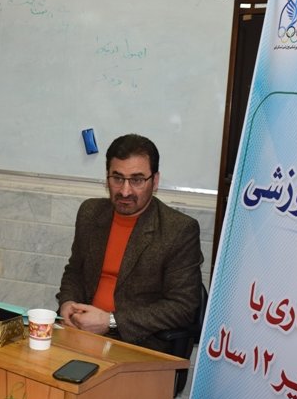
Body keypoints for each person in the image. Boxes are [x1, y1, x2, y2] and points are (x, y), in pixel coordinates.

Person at [57, 133, 203, 353]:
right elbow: (75, 271)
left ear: (155, 181)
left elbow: (182, 307)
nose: (125, 191)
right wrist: (68, 303)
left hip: (138, 343)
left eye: (136, 180)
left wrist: (111, 321)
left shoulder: (179, 230)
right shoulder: (90, 212)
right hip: (80, 332)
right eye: (117, 178)